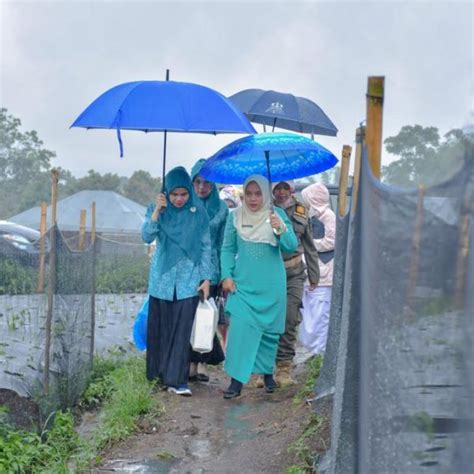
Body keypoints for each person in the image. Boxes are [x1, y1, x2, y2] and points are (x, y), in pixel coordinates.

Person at [220, 175, 298, 399]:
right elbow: (226, 249)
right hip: (243, 285)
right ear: (243, 195)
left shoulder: (277, 215)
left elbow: (291, 246)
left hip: (272, 284)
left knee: (268, 333)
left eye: (258, 193)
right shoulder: (235, 217)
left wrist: (280, 228)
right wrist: (227, 275)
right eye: (249, 193)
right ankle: (236, 381)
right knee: (241, 332)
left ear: (266, 195)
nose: (253, 199)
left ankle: (267, 374)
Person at [141, 166, 212, 396]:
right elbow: (146, 236)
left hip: (188, 281)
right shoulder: (156, 209)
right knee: (160, 330)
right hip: (162, 280)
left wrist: (206, 278)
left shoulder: (198, 213)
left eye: (183, 194)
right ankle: (158, 376)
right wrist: (157, 213)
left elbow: (206, 247)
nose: (179, 199)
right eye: (174, 195)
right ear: (166, 193)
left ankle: (178, 381)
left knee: (181, 332)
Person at [271, 180, 320, 387]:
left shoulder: (301, 210)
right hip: (270, 272)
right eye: (277, 188)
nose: (281, 192)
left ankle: (284, 366)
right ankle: (262, 367)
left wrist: (314, 274)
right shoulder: (264, 208)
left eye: (285, 188)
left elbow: (309, 244)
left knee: (290, 317)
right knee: (267, 319)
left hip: (294, 272)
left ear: (290, 189)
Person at [189, 159, 227, 381]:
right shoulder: (185, 205)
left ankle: (202, 362)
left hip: (211, 269)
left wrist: (222, 275)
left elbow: (223, 243)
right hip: (188, 268)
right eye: (198, 182)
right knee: (188, 317)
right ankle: (189, 361)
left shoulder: (221, 210)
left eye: (207, 182)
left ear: (213, 185)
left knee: (205, 317)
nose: (202, 187)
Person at [299, 183, 336, 355]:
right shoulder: (309, 217)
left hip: (325, 274)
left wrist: (309, 244)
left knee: (321, 317)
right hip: (311, 272)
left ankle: (319, 352)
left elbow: (332, 241)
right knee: (309, 316)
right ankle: (309, 351)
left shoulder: (329, 216)